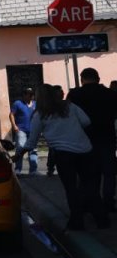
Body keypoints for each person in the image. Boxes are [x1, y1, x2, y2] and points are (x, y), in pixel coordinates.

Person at [29, 83, 109, 230]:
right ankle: (102, 219)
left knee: (71, 188)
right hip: (85, 150)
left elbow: (32, 140)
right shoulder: (70, 107)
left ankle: (77, 221)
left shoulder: (39, 115)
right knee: (90, 187)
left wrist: (19, 153)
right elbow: (86, 121)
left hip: (63, 154)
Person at [68, 68, 117, 212]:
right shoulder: (110, 94)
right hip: (106, 137)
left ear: (82, 79)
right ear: (98, 78)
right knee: (109, 173)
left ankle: (89, 202)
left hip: (83, 139)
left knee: (87, 174)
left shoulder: (75, 94)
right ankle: (108, 202)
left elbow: (69, 116)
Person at [9, 87, 38, 175]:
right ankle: (18, 169)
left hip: (33, 130)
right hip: (21, 130)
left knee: (33, 150)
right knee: (20, 148)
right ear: (24, 95)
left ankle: (33, 170)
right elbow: (11, 114)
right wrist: (14, 125)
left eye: (32, 94)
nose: (31, 96)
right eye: (29, 94)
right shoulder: (18, 103)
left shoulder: (35, 104)